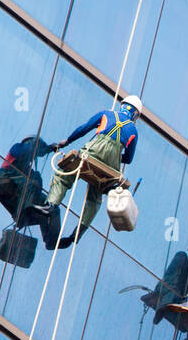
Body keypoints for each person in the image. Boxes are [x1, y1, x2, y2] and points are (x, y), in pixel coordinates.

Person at [38, 94, 141, 249]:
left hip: (92, 152)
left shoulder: (106, 114)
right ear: (135, 114)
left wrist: (67, 141)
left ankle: (51, 205)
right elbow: (129, 158)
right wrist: (115, 156)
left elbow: (83, 129)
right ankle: (78, 232)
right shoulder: (134, 130)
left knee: (64, 175)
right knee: (96, 196)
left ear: (122, 105)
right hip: (111, 166)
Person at [0, 134, 59, 248]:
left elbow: (38, 152)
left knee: (51, 207)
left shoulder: (28, 168)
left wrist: (49, 148)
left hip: (22, 182)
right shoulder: (18, 147)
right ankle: (25, 208)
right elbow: (24, 151)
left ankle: (52, 241)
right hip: (10, 175)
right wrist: (45, 148)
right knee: (33, 180)